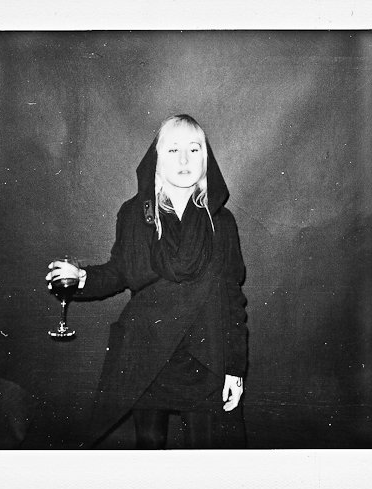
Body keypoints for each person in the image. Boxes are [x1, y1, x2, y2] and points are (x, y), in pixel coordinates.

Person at [46, 114, 248, 449]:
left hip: (205, 358)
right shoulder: (134, 215)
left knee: (206, 455)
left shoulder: (222, 223)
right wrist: (83, 279)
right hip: (148, 355)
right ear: (157, 160)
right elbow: (118, 272)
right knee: (149, 450)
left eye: (193, 149)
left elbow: (233, 299)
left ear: (205, 159)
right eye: (173, 150)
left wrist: (235, 368)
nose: (184, 160)